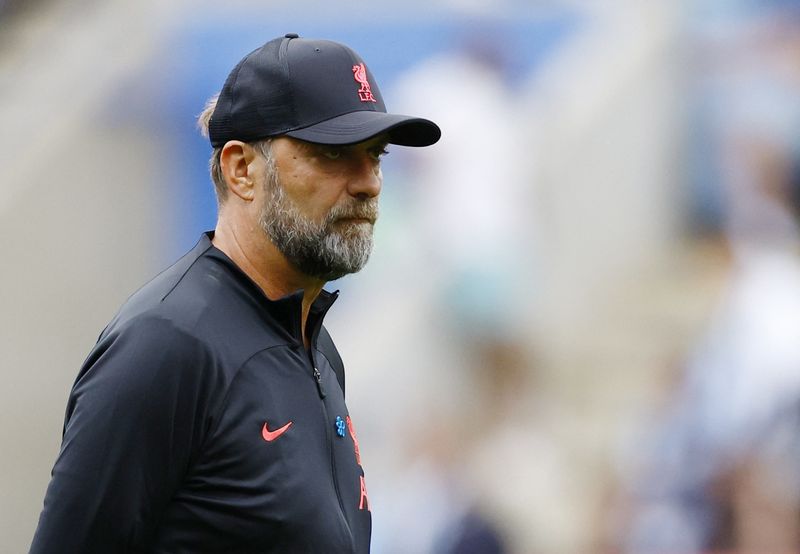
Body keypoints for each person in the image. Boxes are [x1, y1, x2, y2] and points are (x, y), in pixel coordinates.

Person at [29, 33, 440, 553]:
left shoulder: (318, 352)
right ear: (241, 169)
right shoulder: (167, 345)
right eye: (335, 153)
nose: (370, 183)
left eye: (374, 155)